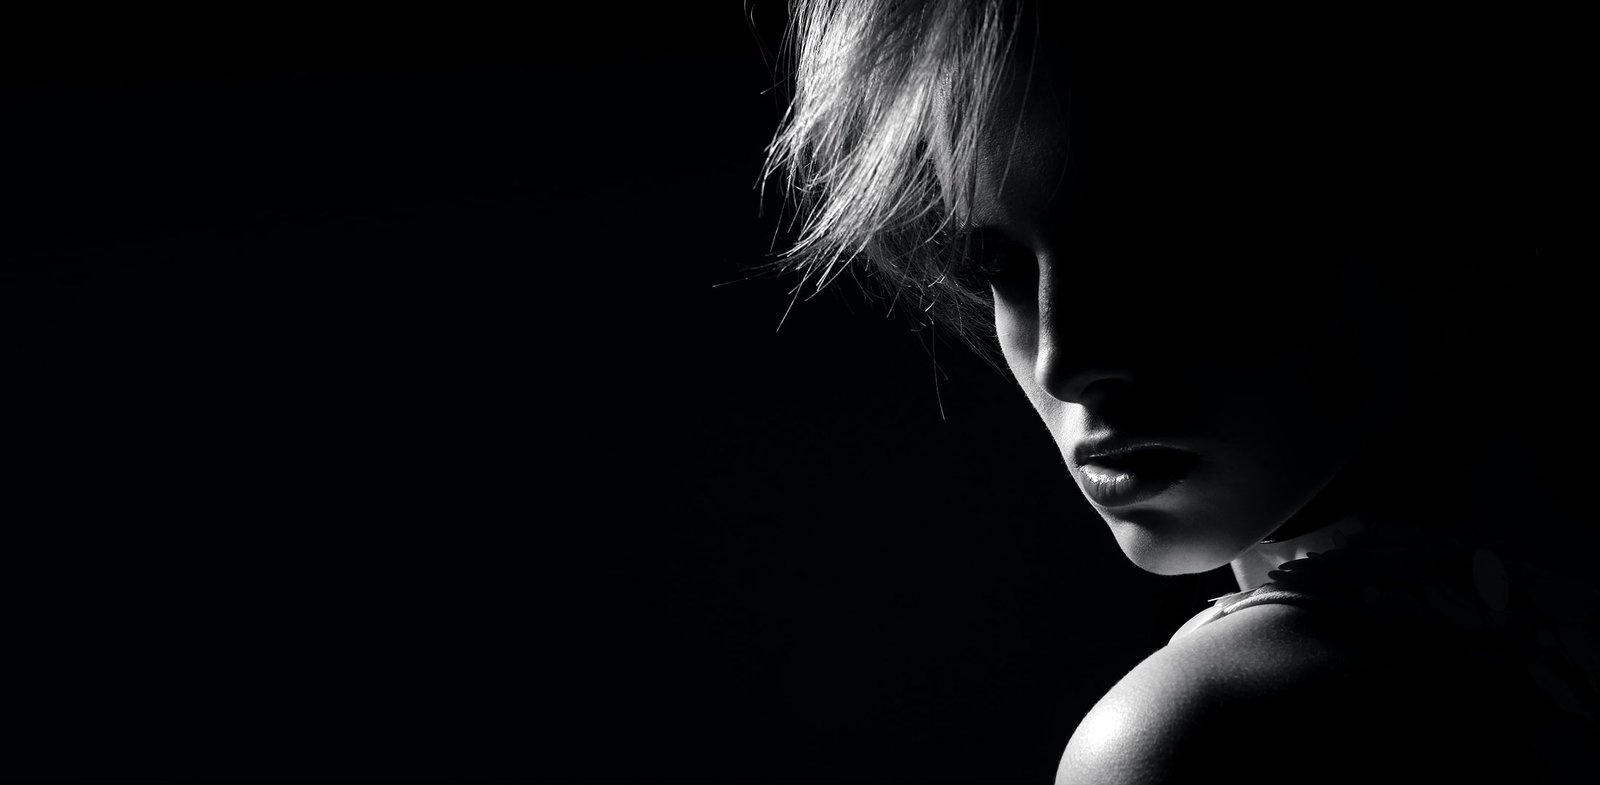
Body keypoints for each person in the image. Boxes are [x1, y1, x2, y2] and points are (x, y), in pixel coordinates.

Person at [761, 1, 1600, 781]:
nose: (1062, 359)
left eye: (1153, 235)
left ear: (1443, 197)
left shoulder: (1194, 734)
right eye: (998, 261)